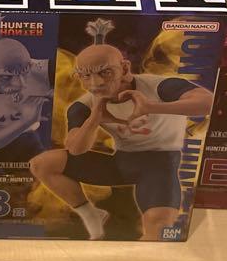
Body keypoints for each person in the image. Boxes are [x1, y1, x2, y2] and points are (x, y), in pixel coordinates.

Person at [29, 20, 212, 241]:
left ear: (124, 68)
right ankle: (92, 215)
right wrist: (95, 117)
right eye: (85, 75)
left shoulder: (157, 86)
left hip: (159, 165)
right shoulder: (84, 105)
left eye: (105, 73)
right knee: (43, 163)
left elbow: (207, 103)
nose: (95, 83)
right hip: (121, 163)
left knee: (158, 227)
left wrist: (152, 107)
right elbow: (75, 149)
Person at [0, 35, 52, 165]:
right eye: (6, 77)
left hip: (32, 147)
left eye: (25, 73)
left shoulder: (34, 68)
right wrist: (26, 121)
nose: (21, 84)